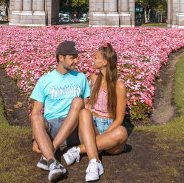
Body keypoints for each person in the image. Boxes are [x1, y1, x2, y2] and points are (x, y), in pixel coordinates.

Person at [63, 43, 128, 181]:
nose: (92, 59)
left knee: (122, 132)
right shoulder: (94, 79)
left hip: (111, 129)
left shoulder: (119, 86)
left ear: (104, 62)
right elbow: (89, 105)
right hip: (93, 128)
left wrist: (107, 135)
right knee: (84, 113)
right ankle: (95, 163)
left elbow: (119, 119)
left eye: (95, 57)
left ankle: (80, 149)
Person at [30, 40, 90, 182]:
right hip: (52, 127)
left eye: (77, 57)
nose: (76, 61)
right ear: (61, 58)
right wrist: (35, 137)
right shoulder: (44, 80)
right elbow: (36, 111)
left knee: (77, 101)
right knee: (35, 118)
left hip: (74, 128)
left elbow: (86, 107)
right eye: (72, 57)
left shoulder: (81, 78)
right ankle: (52, 162)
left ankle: (50, 153)